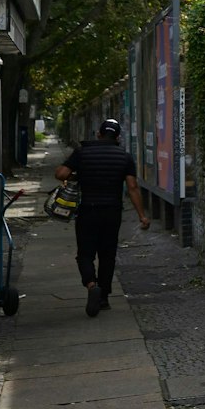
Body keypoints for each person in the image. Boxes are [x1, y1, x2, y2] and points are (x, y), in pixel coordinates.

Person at [55, 118, 150, 317]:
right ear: (117, 137)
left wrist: (76, 175)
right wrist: (142, 216)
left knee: (85, 253)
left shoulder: (82, 152)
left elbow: (61, 173)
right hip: (112, 212)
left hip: (88, 211)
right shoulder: (124, 157)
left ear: (98, 134)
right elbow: (132, 188)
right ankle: (104, 297)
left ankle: (91, 285)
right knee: (107, 255)